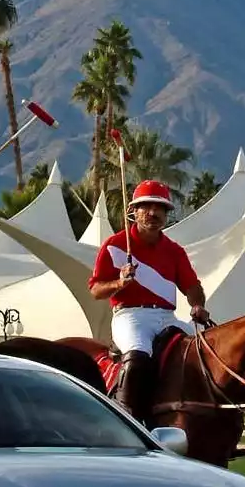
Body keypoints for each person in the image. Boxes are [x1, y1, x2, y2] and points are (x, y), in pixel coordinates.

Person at [88, 179, 212, 424]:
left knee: (205, 351)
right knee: (138, 356)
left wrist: (197, 305)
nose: (154, 213)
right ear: (134, 211)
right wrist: (119, 283)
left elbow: (192, 287)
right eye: (147, 206)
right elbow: (96, 290)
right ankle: (126, 419)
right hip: (131, 316)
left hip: (167, 317)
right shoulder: (114, 245)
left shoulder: (175, 251)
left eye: (160, 208)